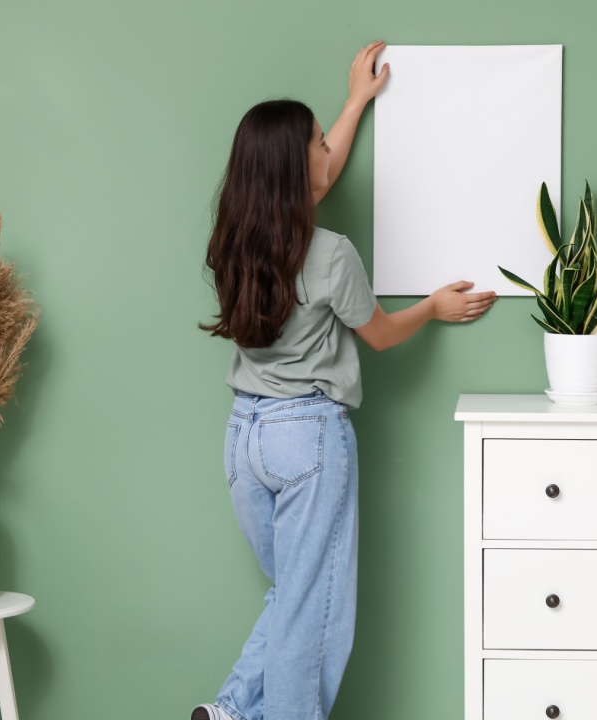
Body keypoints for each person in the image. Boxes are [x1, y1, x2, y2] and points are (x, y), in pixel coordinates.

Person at [194, 41, 496, 720]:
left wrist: (357, 99)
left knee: (294, 595)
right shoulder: (330, 254)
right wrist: (433, 308)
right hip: (306, 439)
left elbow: (318, 180)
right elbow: (381, 335)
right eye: (316, 143)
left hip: (244, 438)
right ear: (294, 168)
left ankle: (231, 711)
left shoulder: (234, 241)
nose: (326, 151)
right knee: (314, 620)